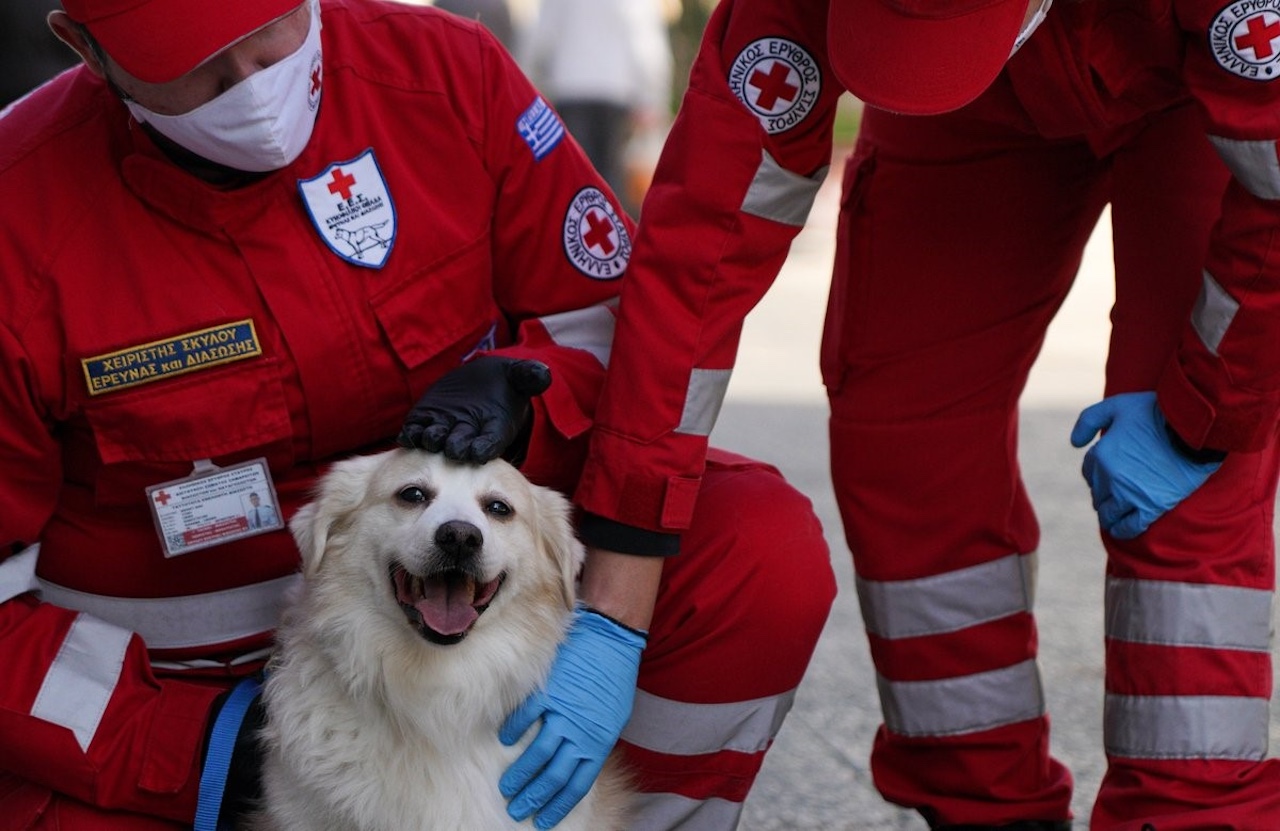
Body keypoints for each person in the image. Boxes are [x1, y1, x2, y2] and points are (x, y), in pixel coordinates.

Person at [0, 1, 836, 829]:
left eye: (269, 31)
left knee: (756, 551)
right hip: (177, 700)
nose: (250, 84)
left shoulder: (447, 77)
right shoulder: (19, 212)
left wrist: (529, 392)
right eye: (197, 61)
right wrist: (195, 746)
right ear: (85, 45)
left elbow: (616, 323)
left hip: (470, 636)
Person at [568, 0, 1280, 828]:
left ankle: (1189, 812)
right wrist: (618, 585)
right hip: (967, 117)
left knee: (1194, 490)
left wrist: (1207, 409)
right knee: (906, 438)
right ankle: (983, 808)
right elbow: (701, 250)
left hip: (1200, 95)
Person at [520, 0, 673, 205]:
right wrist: (652, 98)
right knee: (610, 184)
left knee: (572, 181)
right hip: (615, 91)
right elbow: (646, 45)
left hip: (570, 88)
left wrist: (527, 85)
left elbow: (541, 34)